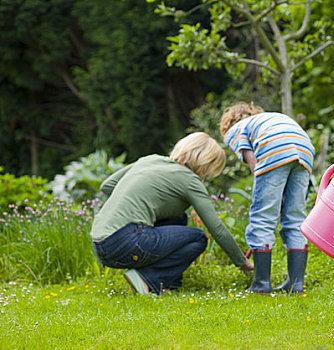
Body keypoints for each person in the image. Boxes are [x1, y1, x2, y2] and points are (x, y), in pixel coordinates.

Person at [91, 132, 254, 295]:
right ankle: (147, 278)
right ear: (207, 164)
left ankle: (169, 283)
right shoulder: (190, 180)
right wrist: (242, 262)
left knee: (178, 218)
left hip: (101, 245)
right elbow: (216, 228)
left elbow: (107, 185)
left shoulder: (150, 160)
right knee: (198, 238)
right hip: (128, 242)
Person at [220, 102, 315, 294]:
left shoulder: (235, 130)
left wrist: (265, 198)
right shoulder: (269, 119)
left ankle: (261, 283)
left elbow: (255, 164)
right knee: (296, 218)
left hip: (275, 148)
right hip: (304, 148)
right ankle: (296, 284)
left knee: (262, 218)